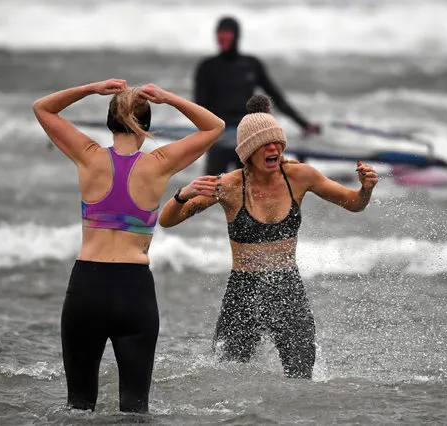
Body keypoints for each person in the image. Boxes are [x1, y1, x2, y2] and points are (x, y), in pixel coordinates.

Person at [32, 78, 225, 412]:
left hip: (86, 288)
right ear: (147, 125)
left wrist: (91, 89)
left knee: (78, 406)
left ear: (109, 123)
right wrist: (168, 98)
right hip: (134, 291)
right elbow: (214, 126)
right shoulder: (158, 163)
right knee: (135, 409)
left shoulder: (87, 156)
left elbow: (42, 107)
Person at [158, 94, 378, 379]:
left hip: (287, 288)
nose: (273, 148)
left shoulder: (300, 176)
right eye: (265, 144)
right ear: (249, 151)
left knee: (302, 377)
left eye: (277, 142)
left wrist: (366, 189)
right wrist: (181, 195)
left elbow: (354, 204)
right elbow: (167, 220)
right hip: (243, 291)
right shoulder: (228, 186)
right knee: (227, 375)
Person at [194, 16, 321, 175]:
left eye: (226, 32)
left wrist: (304, 124)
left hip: (247, 136)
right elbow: (198, 107)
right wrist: (208, 134)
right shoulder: (207, 67)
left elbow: (277, 98)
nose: (222, 36)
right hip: (220, 137)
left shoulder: (252, 65)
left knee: (249, 191)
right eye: (219, 32)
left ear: (236, 34)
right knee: (210, 190)